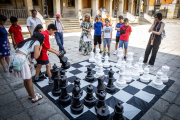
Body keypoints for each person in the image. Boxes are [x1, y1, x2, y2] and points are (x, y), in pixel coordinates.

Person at [8, 33, 45, 103]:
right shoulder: (37, 42)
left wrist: (29, 65)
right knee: (29, 79)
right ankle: (34, 97)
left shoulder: (28, 41)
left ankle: (30, 95)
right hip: (21, 58)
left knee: (25, 79)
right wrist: (40, 47)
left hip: (15, 57)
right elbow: (36, 56)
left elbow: (26, 53)